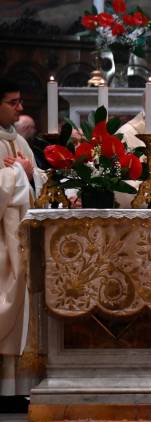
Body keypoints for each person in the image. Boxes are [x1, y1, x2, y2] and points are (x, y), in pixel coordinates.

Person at [0, 77, 40, 395]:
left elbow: (36, 175)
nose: (20, 108)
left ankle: (17, 389)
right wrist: (17, 174)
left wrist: (26, 173)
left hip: (21, 237)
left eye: (20, 101)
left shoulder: (19, 140)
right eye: (13, 102)